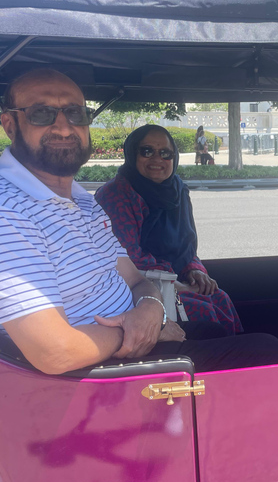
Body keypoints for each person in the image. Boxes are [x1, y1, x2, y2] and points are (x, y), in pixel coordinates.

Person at [0, 68, 278, 374]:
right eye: (43, 113)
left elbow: (135, 278)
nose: (63, 126)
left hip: (134, 339)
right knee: (269, 351)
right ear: (10, 124)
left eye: (75, 113)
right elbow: (55, 352)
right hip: (99, 374)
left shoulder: (78, 199)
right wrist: (140, 329)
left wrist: (150, 309)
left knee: (216, 329)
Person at [95, 124, 242, 337]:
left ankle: (239, 366)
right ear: (132, 153)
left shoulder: (178, 191)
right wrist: (175, 284)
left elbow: (186, 245)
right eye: (146, 151)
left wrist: (194, 271)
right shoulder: (115, 195)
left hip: (175, 280)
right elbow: (126, 258)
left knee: (220, 298)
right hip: (139, 288)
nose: (157, 159)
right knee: (203, 311)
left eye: (165, 153)